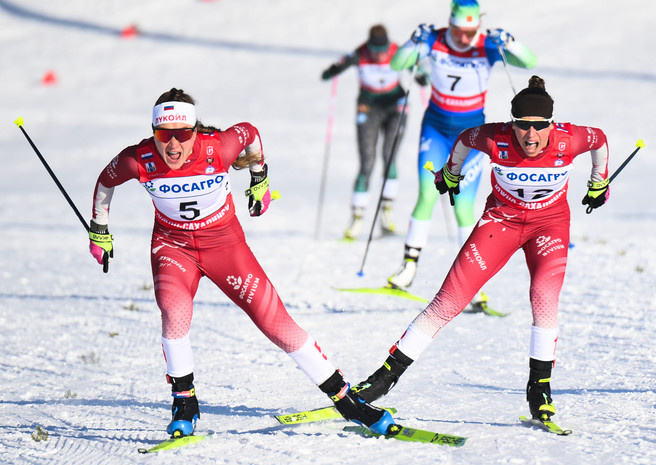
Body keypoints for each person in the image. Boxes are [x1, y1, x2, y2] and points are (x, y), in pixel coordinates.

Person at [87, 88, 394, 437]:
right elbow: (105, 181)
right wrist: (99, 229)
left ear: (195, 132)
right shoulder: (139, 159)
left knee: (275, 322)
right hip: (173, 248)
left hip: (225, 247)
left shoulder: (217, 147)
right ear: (153, 133)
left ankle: (345, 400)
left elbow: (249, 132)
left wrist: (259, 178)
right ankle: (184, 402)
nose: (173, 146)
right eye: (163, 136)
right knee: (174, 315)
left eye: (182, 135)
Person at [352, 76, 611, 424]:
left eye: (538, 127)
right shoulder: (494, 137)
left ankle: (540, 388)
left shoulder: (570, 138)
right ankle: (384, 378)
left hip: (548, 225)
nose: (530, 136)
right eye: (522, 126)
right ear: (512, 123)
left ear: (552, 123)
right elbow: (462, 139)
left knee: (543, 295)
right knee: (449, 301)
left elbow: (600, 140)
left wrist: (599, 181)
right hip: (501, 223)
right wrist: (451, 172)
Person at [386, 0, 537, 312]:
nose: (466, 38)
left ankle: (473, 284)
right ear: (450, 24)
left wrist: (511, 41)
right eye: (460, 31)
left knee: (463, 206)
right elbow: (398, 65)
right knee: (427, 194)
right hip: (436, 129)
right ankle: (408, 268)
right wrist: (413, 41)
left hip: (471, 137)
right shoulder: (434, 39)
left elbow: (529, 62)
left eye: (471, 31)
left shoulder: (486, 45)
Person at [321, 25, 427, 240]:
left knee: (389, 157)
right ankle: (356, 219)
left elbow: (420, 72)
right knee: (367, 161)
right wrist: (332, 71)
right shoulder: (359, 53)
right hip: (368, 108)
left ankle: (386, 216)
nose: (379, 55)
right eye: (375, 51)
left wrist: (421, 77)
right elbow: (333, 70)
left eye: (383, 50)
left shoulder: (397, 51)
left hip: (395, 107)